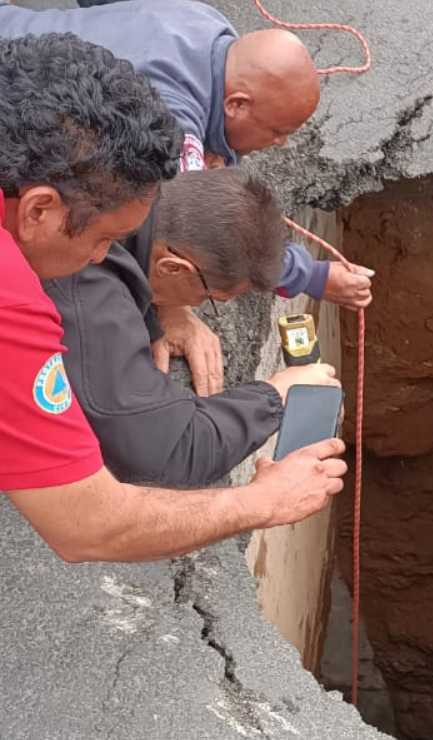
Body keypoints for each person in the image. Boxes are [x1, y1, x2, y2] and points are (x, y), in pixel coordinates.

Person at [0, 32, 346, 563]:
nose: (100, 259)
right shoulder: (19, 302)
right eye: (101, 241)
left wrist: (167, 306)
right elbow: (91, 522)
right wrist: (264, 499)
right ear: (38, 211)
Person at [0, 0, 374, 396]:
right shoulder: (172, 111)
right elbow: (195, 229)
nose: (281, 144)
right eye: (276, 130)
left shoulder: (208, 30)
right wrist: (310, 276)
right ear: (236, 105)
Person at [47, 168, 339, 487]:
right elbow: (165, 456)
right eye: (209, 298)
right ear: (173, 268)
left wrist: (161, 310)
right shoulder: (86, 292)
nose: (198, 307)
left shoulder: (119, 185)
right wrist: (277, 396)